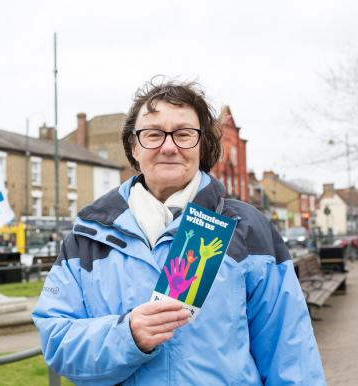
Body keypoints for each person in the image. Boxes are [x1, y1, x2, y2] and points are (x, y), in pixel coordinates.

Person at [32, 79, 326, 385]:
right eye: (153, 134)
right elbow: (56, 340)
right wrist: (126, 335)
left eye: (184, 135)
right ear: (133, 147)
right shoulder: (88, 235)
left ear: (202, 146)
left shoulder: (248, 229)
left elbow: (291, 355)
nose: (169, 147)